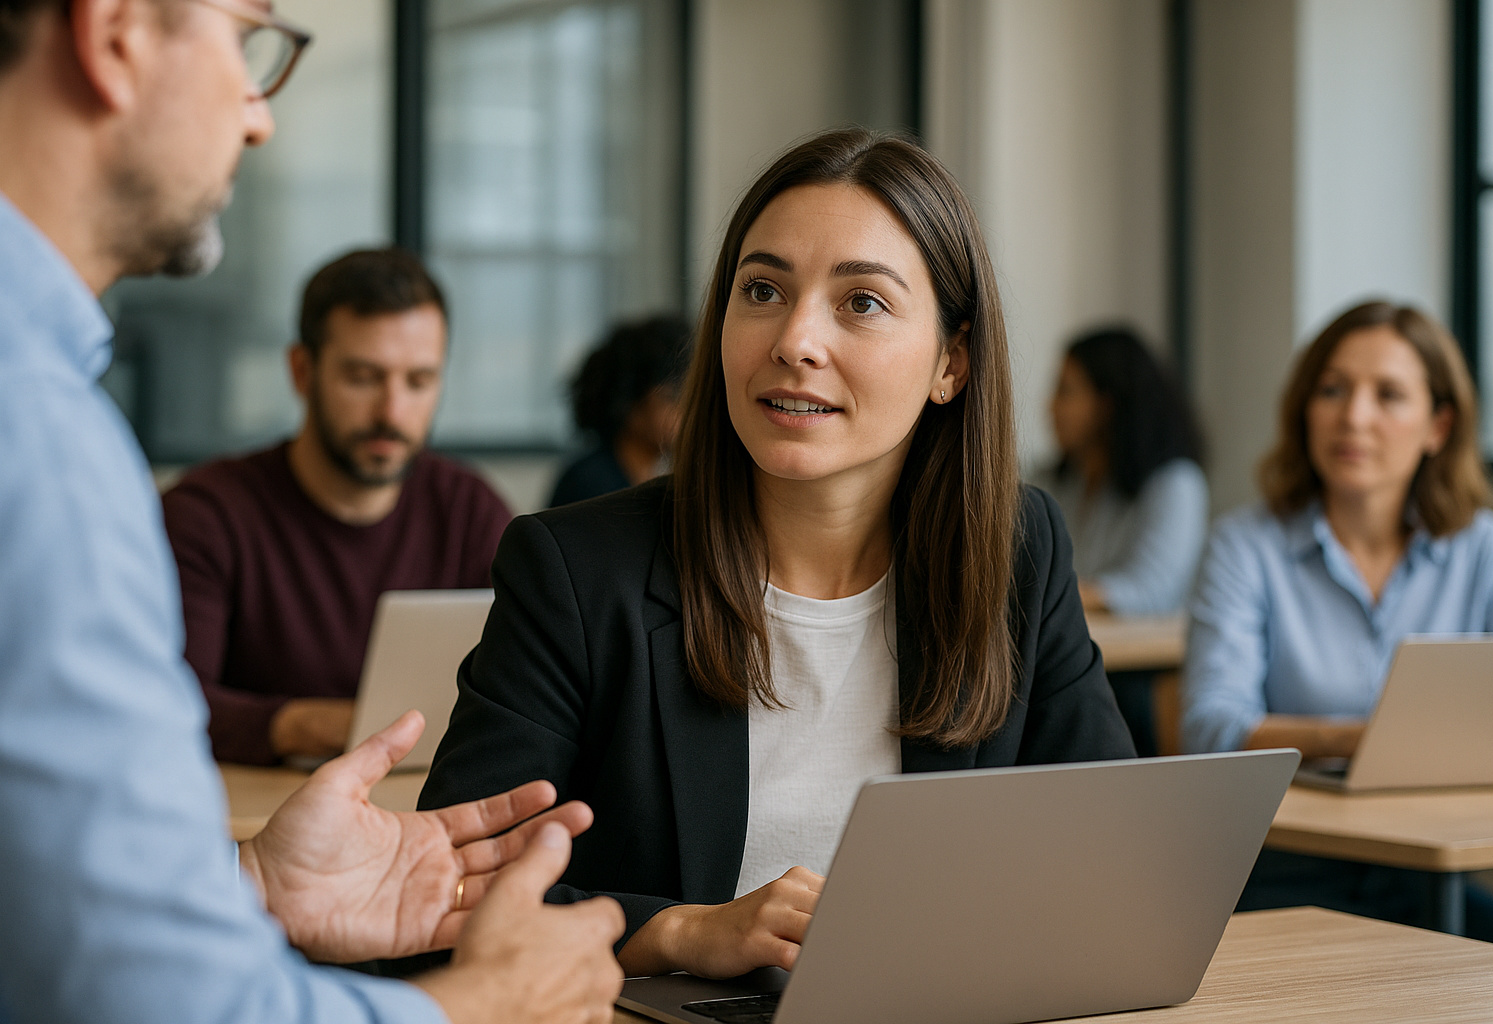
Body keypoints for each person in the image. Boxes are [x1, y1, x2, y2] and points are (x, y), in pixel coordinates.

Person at [0, 1, 624, 1022]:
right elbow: (152, 1001)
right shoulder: (42, 438)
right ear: (115, 37)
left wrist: (255, 883)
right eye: (248, 40)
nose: (259, 117)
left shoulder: (46, 418)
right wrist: (481, 1007)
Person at [415, 128, 1135, 981]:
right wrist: (684, 933)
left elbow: (1112, 865)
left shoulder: (1018, 551)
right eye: (762, 290)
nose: (795, 340)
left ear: (953, 359)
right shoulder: (575, 570)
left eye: (861, 302)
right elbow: (446, 890)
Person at [1180, 299, 1493, 948]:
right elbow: (1210, 727)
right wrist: (1361, 739)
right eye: (1333, 390)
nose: (1354, 416)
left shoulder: (1480, 546)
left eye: (1389, 395)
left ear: (1438, 425)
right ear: (1303, 410)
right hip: (1279, 876)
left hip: (1427, 874)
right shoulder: (1244, 545)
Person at [162, 247, 512, 765]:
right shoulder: (208, 514)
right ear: (302, 372)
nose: (392, 411)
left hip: (420, 811)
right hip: (252, 825)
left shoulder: (469, 511)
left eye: (418, 381)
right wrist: (312, 725)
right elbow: (165, 705)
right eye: (364, 378)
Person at [1039, 326, 1207, 617]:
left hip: (1141, 657)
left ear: (1106, 404)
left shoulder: (1176, 484)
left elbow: (1153, 590)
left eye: (1066, 391)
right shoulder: (1054, 482)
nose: (1051, 406)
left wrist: (1044, 596)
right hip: (1064, 650)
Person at [548, 314, 689, 507]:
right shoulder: (588, 484)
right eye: (674, 397)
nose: (687, 410)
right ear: (629, 402)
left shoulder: (653, 477)